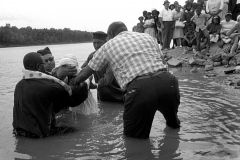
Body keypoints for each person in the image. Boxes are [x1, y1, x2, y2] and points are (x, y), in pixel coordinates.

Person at [74, 21, 181, 139]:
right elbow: (163, 62)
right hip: (168, 82)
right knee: (173, 125)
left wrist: (74, 82)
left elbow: (84, 73)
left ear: (110, 34)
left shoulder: (108, 46)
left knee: (134, 140)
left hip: (140, 89)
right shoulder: (147, 37)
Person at [13, 52, 89, 138]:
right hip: (38, 135)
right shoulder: (50, 86)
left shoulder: (19, 85)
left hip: (18, 132)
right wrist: (86, 81)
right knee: (78, 131)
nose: (46, 65)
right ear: (38, 67)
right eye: (44, 63)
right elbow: (75, 98)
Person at [81, 31, 124, 102]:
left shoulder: (112, 56)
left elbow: (107, 81)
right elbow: (83, 70)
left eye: (99, 43)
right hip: (102, 94)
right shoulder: (92, 56)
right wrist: (88, 79)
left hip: (117, 95)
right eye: (94, 43)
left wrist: (94, 86)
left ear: (105, 43)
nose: (96, 45)